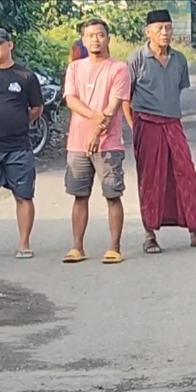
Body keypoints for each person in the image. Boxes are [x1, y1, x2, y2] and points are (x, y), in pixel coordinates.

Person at [124, 8, 196, 253]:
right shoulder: (137, 58)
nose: (164, 32)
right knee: (151, 178)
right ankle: (149, 234)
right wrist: (135, 126)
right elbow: (124, 99)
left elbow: (178, 89)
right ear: (148, 31)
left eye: (168, 28)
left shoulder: (180, 59)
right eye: (159, 28)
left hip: (172, 123)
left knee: (187, 174)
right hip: (146, 123)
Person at [62, 18, 131, 265]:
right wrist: (94, 117)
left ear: (108, 38)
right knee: (79, 195)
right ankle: (77, 247)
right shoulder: (74, 68)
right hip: (77, 142)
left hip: (108, 143)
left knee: (112, 194)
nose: (95, 39)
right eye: (90, 35)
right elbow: (71, 100)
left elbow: (113, 106)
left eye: (100, 35)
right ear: (83, 39)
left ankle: (114, 247)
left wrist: (96, 131)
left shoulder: (119, 69)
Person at [0, 28, 44, 260]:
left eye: (0, 43)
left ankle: (24, 244)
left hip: (18, 146)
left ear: (10, 45)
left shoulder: (25, 76)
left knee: (23, 195)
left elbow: (37, 108)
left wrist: (18, 121)